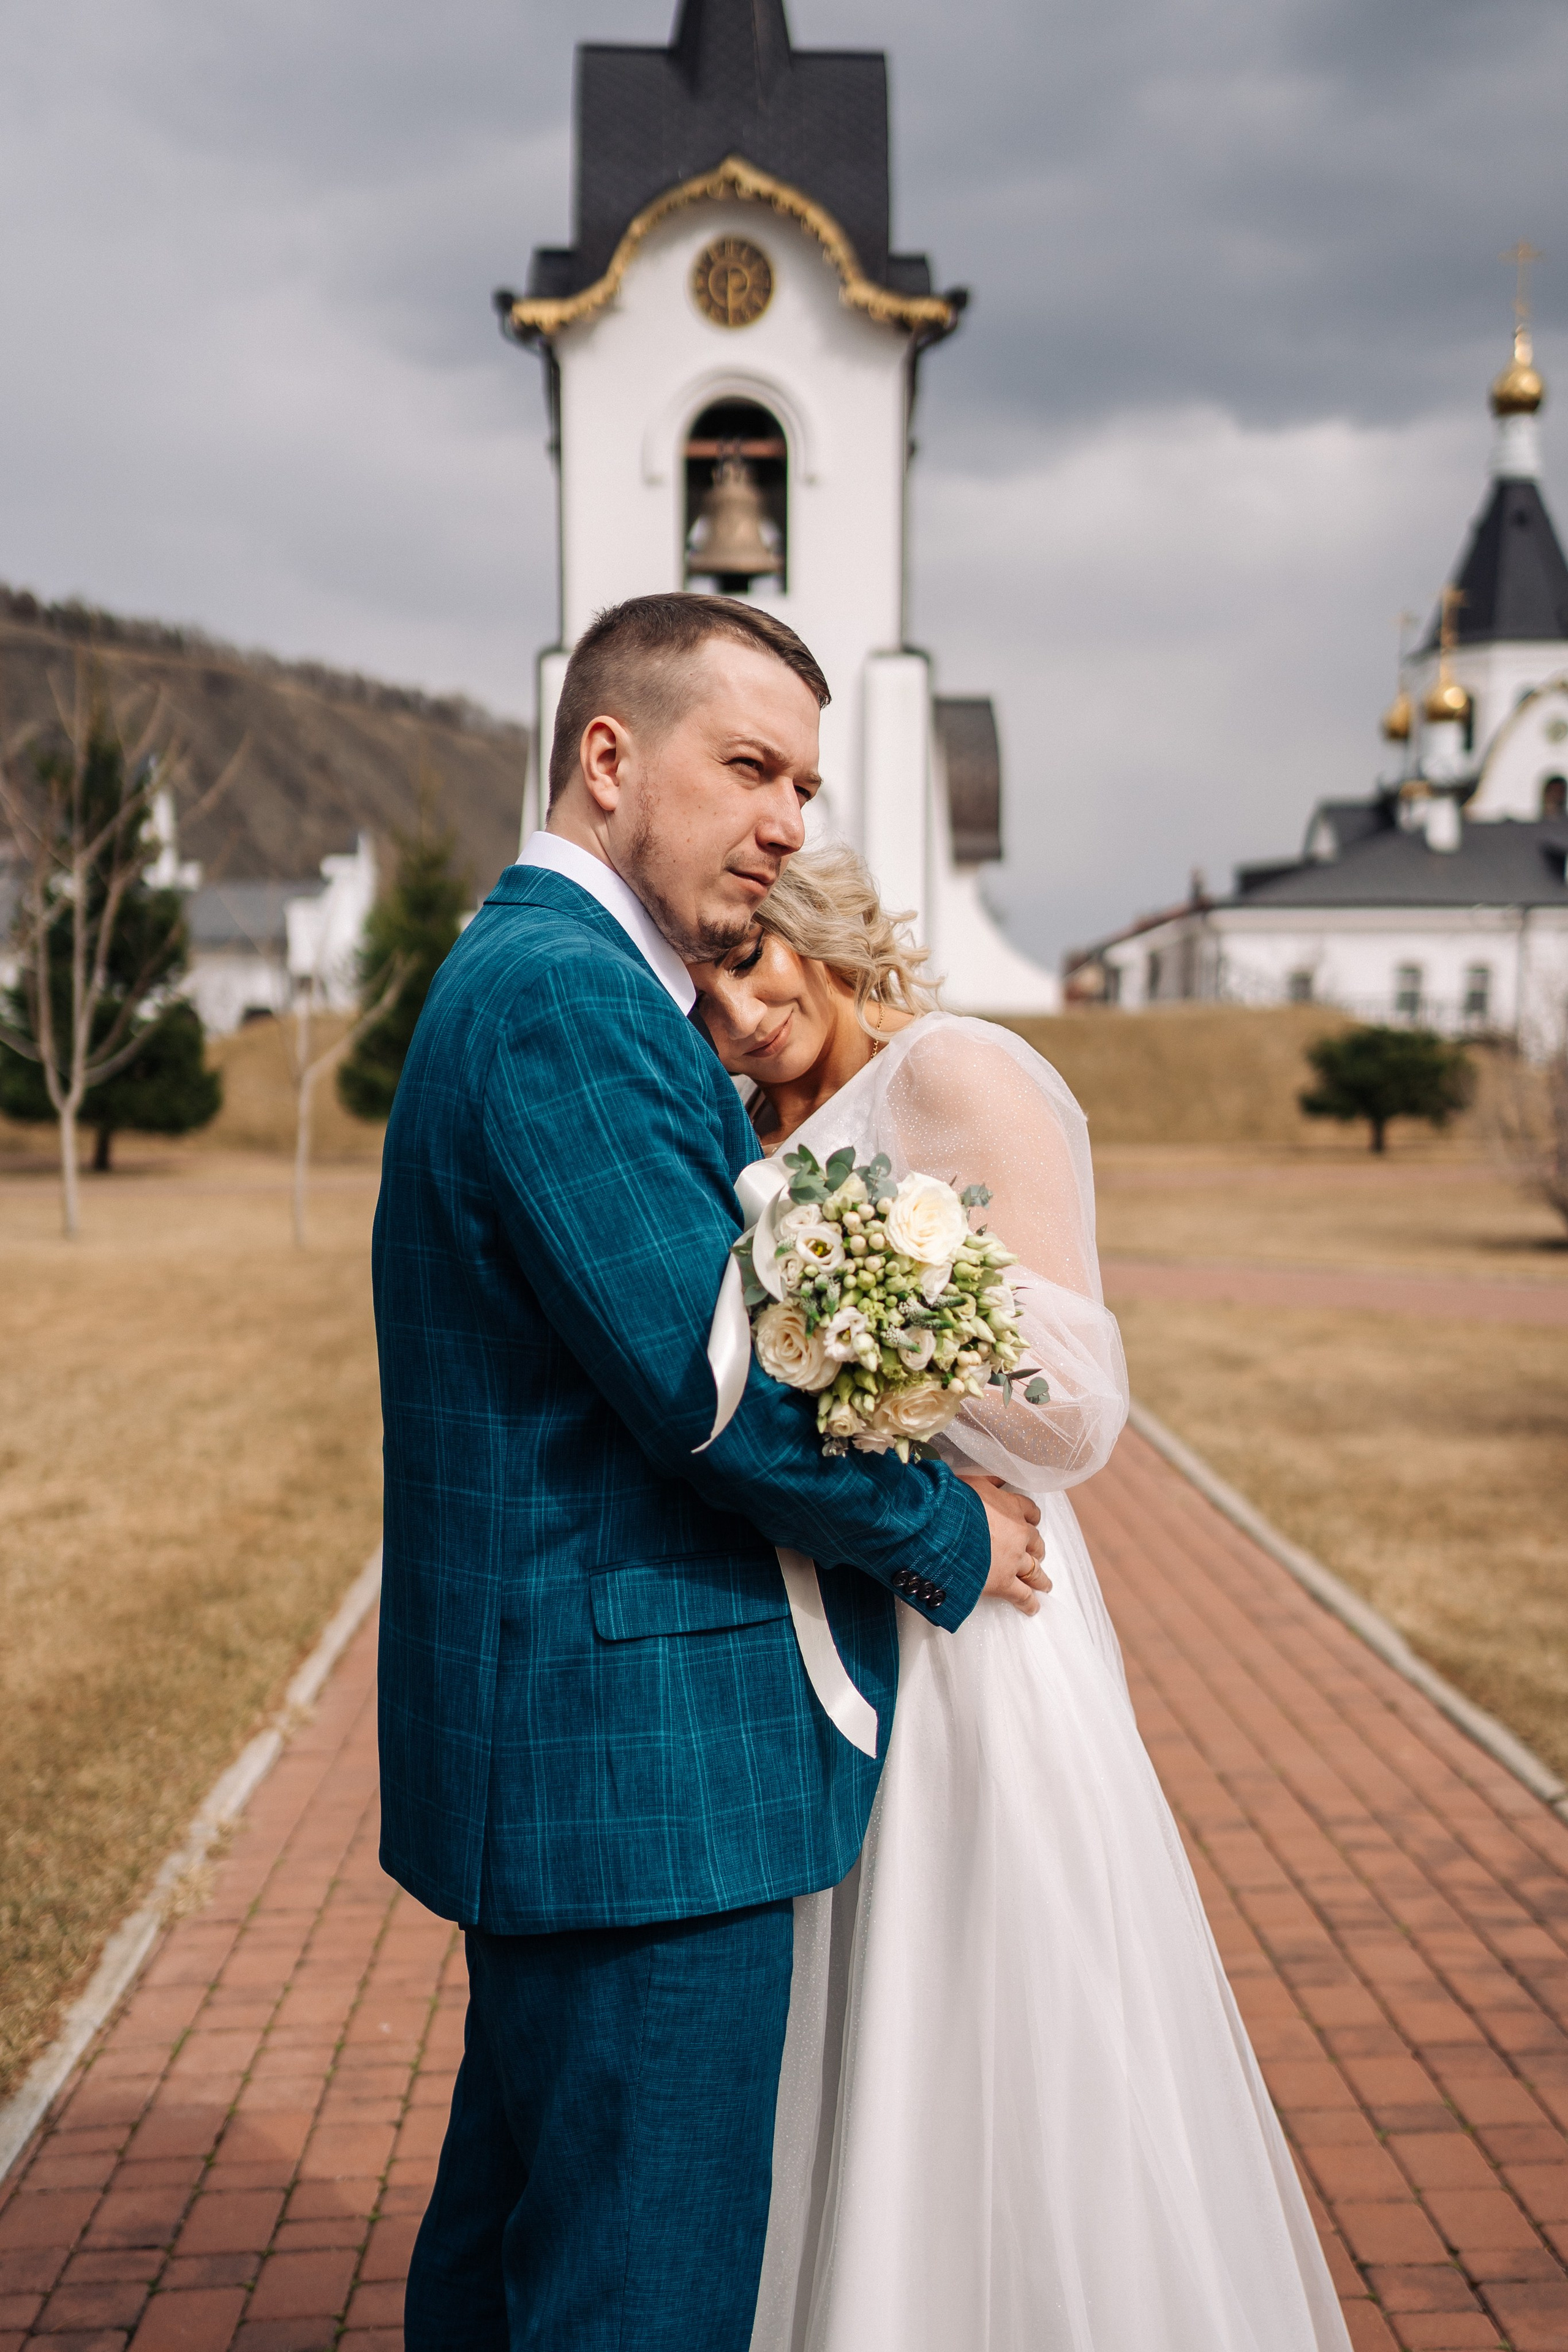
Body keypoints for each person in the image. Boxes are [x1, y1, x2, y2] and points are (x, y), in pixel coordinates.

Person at [372, 594, 1046, 2352]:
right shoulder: (564, 1003)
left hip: (582, 1765)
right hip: (636, 1779)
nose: (786, 821)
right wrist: (950, 1533)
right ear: (609, 758)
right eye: (749, 766)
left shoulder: (575, 984)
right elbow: (715, 1395)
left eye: (806, 786)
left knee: (520, 2252)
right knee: (636, 2294)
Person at [687, 844, 1354, 2352]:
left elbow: (1076, 1412)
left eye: (757, 959)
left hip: (971, 1619)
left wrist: (877, 1330)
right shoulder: (738, 1124)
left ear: (819, 928)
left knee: (996, 1984)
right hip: (817, 1615)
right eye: (709, 983)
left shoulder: (954, 1073)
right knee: (838, 2011)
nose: (739, 1009)